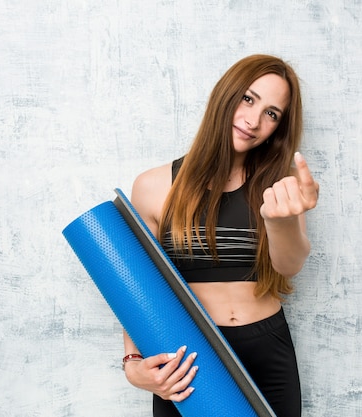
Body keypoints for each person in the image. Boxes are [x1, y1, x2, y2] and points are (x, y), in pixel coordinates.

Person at [122, 54, 319, 417]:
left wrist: (282, 221)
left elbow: (289, 265)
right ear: (225, 95)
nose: (254, 120)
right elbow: (137, 286)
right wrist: (133, 362)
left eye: (272, 113)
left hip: (267, 352)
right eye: (248, 98)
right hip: (187, 357)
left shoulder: (280, 187)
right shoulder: (152, 186)